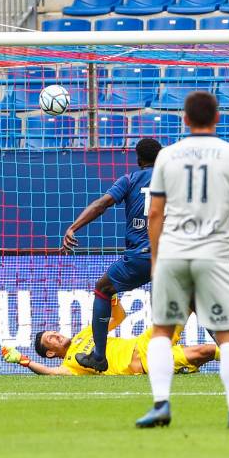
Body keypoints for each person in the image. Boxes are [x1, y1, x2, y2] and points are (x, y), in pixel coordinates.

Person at [137, 91, 229, 430]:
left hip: (174, 252)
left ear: (184, 119)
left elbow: (154, 211)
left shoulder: (167, 156)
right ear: (217, 119)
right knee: (227, 335)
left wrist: (156, 257)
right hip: (214, 253)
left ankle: (160, 405)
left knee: (162, 332)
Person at [61, 138, 162, 373]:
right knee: (197, 300)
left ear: (138, 160)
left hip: (141, 257)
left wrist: (73, 227)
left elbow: (100, 205)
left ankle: (99, 356)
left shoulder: (129, 180)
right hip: (172, 256)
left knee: (102, 289)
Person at [2, 298, 229, 376]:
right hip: (144, 363)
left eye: (54, 332)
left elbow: (119, 317)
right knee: (205, 351)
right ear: (50, 352)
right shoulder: (70, 364)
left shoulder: (84, 333)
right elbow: (50, 374)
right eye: (51, 339)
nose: (57, 335)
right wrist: (23, 361)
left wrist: (111, 299)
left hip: (144, 341)